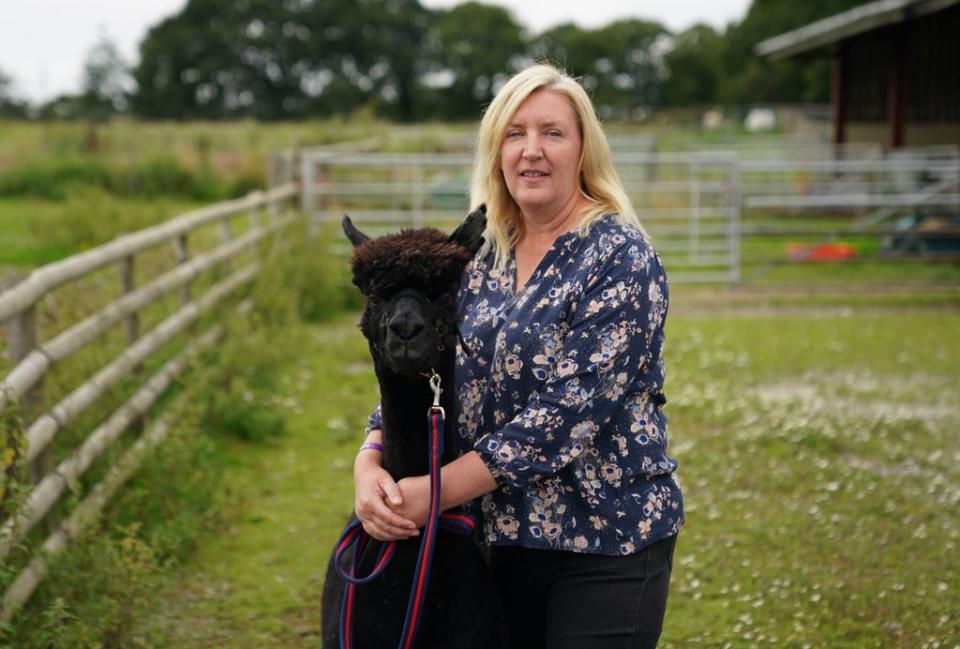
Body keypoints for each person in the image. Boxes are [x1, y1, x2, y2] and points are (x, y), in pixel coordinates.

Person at [353, 63, 684, 649]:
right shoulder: (480, 260)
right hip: (495, 542)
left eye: (552, 133)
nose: (532, 151)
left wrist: (433, 491)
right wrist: (370, 461)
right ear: (496, 151)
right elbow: (428, 370)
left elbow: (563, 419)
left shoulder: (620, 258)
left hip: (605, 545)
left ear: (583, 150)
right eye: (515, 134)